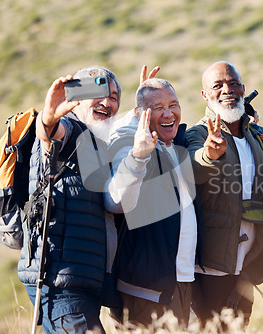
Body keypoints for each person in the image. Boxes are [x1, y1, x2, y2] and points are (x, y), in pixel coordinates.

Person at [185, 61, 263, 325]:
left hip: (250, 264)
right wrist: (210, 155)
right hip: (208, 266)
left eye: (234, 83)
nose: (228, 90)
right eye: (218, 85)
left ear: (244, 89)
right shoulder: (197, 134)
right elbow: (192, 170)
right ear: (205, 95)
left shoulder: (259, 137)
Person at [18, 66, 122, 334]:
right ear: (75, 99)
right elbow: (50, 134)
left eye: (113, 97)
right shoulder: (72, 130)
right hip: (61, 283)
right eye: (97, 94)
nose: (107, 103)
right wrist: (49, 117)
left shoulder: (98, 143)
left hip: (78, 282)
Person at [105, 77, 203, 327]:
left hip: (180, 280)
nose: (169, 113)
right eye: (158, 107)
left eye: (173, 104)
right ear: (139, 114)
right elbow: (117, 201)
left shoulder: (175, 147)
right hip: (143, 287)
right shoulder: (130, 146)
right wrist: (138, 155)